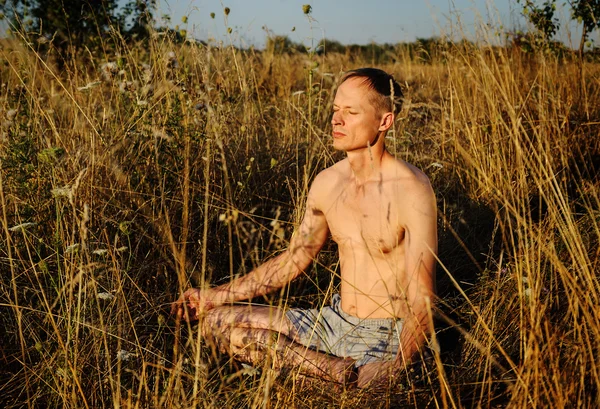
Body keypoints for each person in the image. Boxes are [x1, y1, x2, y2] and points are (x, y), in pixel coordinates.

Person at [171, 68, 438, 389]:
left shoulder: (411, 189)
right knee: (214, 323)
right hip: (332, 319)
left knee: (375, 388)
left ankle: (336, 380)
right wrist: (213, 296)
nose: (336, 120)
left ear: (385, 122)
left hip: (384, 332)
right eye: (336, 110)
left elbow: (422, 297)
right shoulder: (328, 182)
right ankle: (334, 373)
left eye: (351, 112)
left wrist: (399, 364)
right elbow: (293, 260)